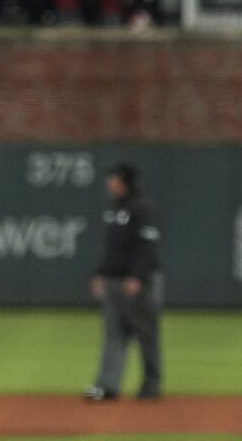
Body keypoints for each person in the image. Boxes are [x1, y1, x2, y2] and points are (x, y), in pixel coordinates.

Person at [84, 163, 163, 401]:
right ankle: (108, 385)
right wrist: (100, 273)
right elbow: (109, 247)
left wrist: (137, 276)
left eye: (115, 179)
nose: (110, 183)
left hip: (139, 282)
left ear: (126, 182)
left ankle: (151, 384)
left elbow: (148, 246)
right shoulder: (114, 208)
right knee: (113, 334)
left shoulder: (142, 207)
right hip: (113, 281)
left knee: (146, 334)